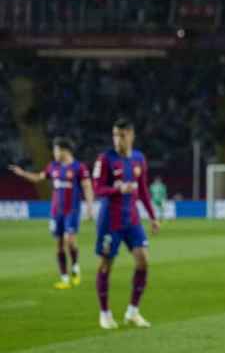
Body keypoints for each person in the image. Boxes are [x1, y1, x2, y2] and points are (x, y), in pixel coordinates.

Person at [92, 118, 160, 329]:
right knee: (106, 265)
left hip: (132, 220)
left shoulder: (139, 159)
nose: (117, 140)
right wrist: (117, 190)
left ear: (131, 135)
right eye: (114, 135)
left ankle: (133, 312)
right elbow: (97, 189)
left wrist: (153, 216)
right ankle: (104, 313)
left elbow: (143, 191)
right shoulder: (104, 159)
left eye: (121, 135)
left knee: (143, 261)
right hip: (110, 221)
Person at [8, 137, 94, 289]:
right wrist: (22, 173)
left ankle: (75, 268)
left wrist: (89, 207)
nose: (54, 153)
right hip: (56, 212)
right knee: (59, 245)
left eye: (55, 150)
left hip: (72, 211)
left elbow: (87, 186)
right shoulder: (53, 166)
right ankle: (64, 278)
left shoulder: (79, 168)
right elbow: (38, 178)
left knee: (70, 241)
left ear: (64, 150)